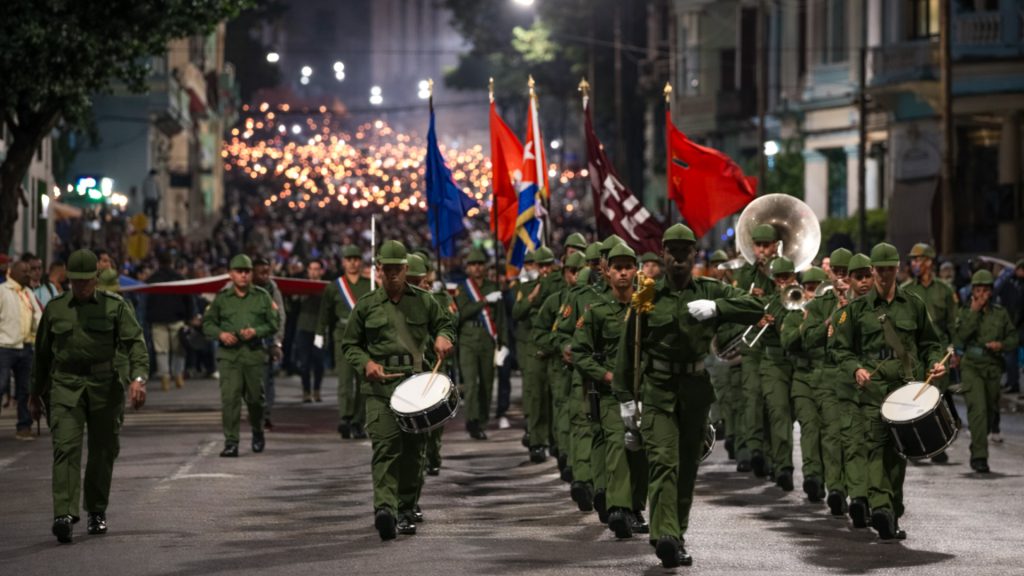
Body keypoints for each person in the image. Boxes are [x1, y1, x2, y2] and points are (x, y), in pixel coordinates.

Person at [614, 224, 762, 568]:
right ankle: (664, 535)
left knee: (685, 470)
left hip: (694, 391)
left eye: (685, 252)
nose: (678, 258)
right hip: (658, 389)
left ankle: (675, 535)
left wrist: (718, 308)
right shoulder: (647, 296)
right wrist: (625, 400)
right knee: (663, 462)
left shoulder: (710, 289)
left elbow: (756, 308)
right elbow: (627, 351)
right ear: (663, 254)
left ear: (695, 255)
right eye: (672, 251)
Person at [29, 249, 148, 543]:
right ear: (68, 278)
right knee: (65, 448)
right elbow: (42, 355)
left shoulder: (114, 307)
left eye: (86, 281)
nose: (81, 286)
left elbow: (135, 343)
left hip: (104, 386)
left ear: (96, 278)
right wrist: (34, 394)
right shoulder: (56, 309)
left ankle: (96, 510)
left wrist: (138, 379)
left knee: (103, 450)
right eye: (75, 281)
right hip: (65, 385)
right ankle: (64, 515)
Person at [341, 240, 454, 540]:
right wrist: (365, 363)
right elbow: (349, 344)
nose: (392, 274)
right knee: (385, 447)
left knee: (414, 452)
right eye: (386, 269)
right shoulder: (366, 306)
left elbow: (445, 323)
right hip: (380, 386)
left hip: (416, 384)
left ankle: (406, 507)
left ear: (406, 269)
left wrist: (443, 337)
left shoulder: (424, 301)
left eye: (397, 269)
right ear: (379, 270)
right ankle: (385, 510)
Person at [832, 242, 946, 540]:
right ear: (872, 270)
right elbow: (840, 350)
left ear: (897, 269)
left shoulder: (914, 304)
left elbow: (930, 343)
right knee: (874, 449)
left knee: (898, 454)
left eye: (888, 269)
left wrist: (935, 363)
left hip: (906, 391)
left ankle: (891, 508)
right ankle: (882, 508)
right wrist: (855, 368)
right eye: (879, 270)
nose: (883, 275)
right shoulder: (855, 310)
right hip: (871, 391)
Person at [573, 243, 649, 539]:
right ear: (608, 272)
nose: (622, 273)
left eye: (627, 267)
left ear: (635, 270)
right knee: (619, 445)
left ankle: (636, 507)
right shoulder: (596, 310)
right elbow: (580, 352)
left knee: (641, 451)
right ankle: (619, 508)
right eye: (616, 268)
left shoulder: (646, 307)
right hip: (611, 394)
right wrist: (605, 375)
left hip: (643, 392)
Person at [202, 255, 280, 457]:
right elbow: (208, 323)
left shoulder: (262, 296)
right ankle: (231, 442)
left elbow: (274, 323)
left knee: (255, 399)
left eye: (247, 271)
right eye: (239, 271)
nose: (243, 275)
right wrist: (221, 334)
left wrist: (256, 331)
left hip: (253, 354)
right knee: (230, 399)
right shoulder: (222, 298)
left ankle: (257, 430)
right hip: (229, 356)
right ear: (231, 274)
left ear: (251, 274)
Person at [800, 248, 853, 515]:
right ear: (830, 274)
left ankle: (860, 491)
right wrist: (829, 321)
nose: (842, 279)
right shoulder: (818, 304)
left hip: (856, 378)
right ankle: (836, 489)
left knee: (853, 438)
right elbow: (807, 339)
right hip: (828, 376)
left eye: (847, 273)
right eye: (838, 273)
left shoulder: (862, 302)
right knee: (832, 434)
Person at [954, 269, 1017, 473]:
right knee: (978, 410)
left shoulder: (1000, 313)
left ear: (991, 292)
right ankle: (979, 456)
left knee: (989, 412)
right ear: (972, 291)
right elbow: (959, 339)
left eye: (985, 290)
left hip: (992, 366)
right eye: (977, 290)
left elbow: (1014, 338)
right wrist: (973, 312)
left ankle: (980, 441)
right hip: (971, 365)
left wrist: (1001, 345)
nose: (981, 294)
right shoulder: (965, 312)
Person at [902, 242, 958, 464]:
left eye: (919, 260)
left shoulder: (944, 290)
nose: (915, 264)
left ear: (929, 262)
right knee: (915, 398)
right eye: (913, 260)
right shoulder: (906, 289)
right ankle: (916, 445)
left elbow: (953, 323)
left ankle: (937, 445)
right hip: (914, 352)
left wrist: (954, 349)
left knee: (937, 399)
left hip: (939, 351)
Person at [733, 223, 778, 476]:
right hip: (751, 345)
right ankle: (754, 450)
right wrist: (752, 306)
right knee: (751, 398)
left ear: (775, 247)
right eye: (758, 245)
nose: (762, 250)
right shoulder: (745, 274)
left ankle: (773, 455)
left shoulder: (783, 272)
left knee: (773, 403)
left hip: (775, 346)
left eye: (766, 245)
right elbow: (736, 305)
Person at [781, 265, 828, 501]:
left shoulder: (834, 313)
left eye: (817, 289)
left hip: (828, 377)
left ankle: (833, 481)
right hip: (803, 377)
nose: (812, 294)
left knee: (829, 432)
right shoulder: (795, 312)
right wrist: (805, 325)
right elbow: (788, 341)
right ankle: (813, 476)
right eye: (809, 289)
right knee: (809, 427)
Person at [317, 245, 372, 439]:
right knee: (345, 379)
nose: (353, 262)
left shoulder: (370, 284)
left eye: (356, 259)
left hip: (364, 337)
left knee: (363, 381)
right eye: (349, 259)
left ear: (361, 261)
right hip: (342, 335)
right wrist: (319, 333)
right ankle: (345, 417)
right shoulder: (334, 286)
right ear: (343, 262)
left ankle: (359, 420)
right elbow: (325, 312)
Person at [757, 256, 799, 491]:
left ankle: (774, 455)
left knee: (791, 414)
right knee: (778, 412)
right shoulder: (769, 303)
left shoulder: (803, 300)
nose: (783, 282)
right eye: (779, 278)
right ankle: (783, 467)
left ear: (794, 277)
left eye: (787, 277)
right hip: (773, 362)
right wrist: (761, 321)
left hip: (798, 363)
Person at [455, 248, 505, 439]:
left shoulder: (493, 287)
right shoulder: (463, 288)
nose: (477, 268)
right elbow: (462, 313)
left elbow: (500, 318)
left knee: (486, 382)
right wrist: (484, 301)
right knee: (471, 383)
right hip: (468, 337)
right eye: (473, 264)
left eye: (480, 264)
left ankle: (482, 420)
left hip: (487, 338)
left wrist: (503, 343)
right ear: (468, 268)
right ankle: (472, 421)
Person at [1, 259, 43, 440]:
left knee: (25, 389)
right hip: (4, 347)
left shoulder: (28, 294)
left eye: (29, 271)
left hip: (26, 347)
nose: (28, 274)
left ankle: (24, 426)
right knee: (1, 385)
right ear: (12, 272)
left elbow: (38, 317)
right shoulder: (2, 291)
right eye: (25, 271)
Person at [146, 253, 193, 391]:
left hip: (157, 320)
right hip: (177, 318)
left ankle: (165, 378)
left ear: (159, 263)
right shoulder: (179, 278)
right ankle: (178, 375)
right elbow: (188, 299)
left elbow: (146, 302)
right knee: (179, 349)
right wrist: (189, 318)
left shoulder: (153, 279)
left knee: (161, 351)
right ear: (172, 262)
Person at [253, 256, 286, 427]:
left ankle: (264, 414)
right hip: (245, 341)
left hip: (266, 340)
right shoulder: (239, 288)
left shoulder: (272, 289)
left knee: (267, 379)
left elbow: (280, 315)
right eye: (261, 272)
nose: (265, 276)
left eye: (267, 272)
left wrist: (277, 341)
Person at [294, 259, 326, 402]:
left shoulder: (327, 288)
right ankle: (306, 391)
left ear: (321, 271)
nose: (314, 272)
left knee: (318, 362)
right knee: (304, 363)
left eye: (316, 269)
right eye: (311, 269)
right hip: (304, 328)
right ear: (307, 271)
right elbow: (292, 306)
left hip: (320, 330)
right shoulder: (301, 288)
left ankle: (317, 390)